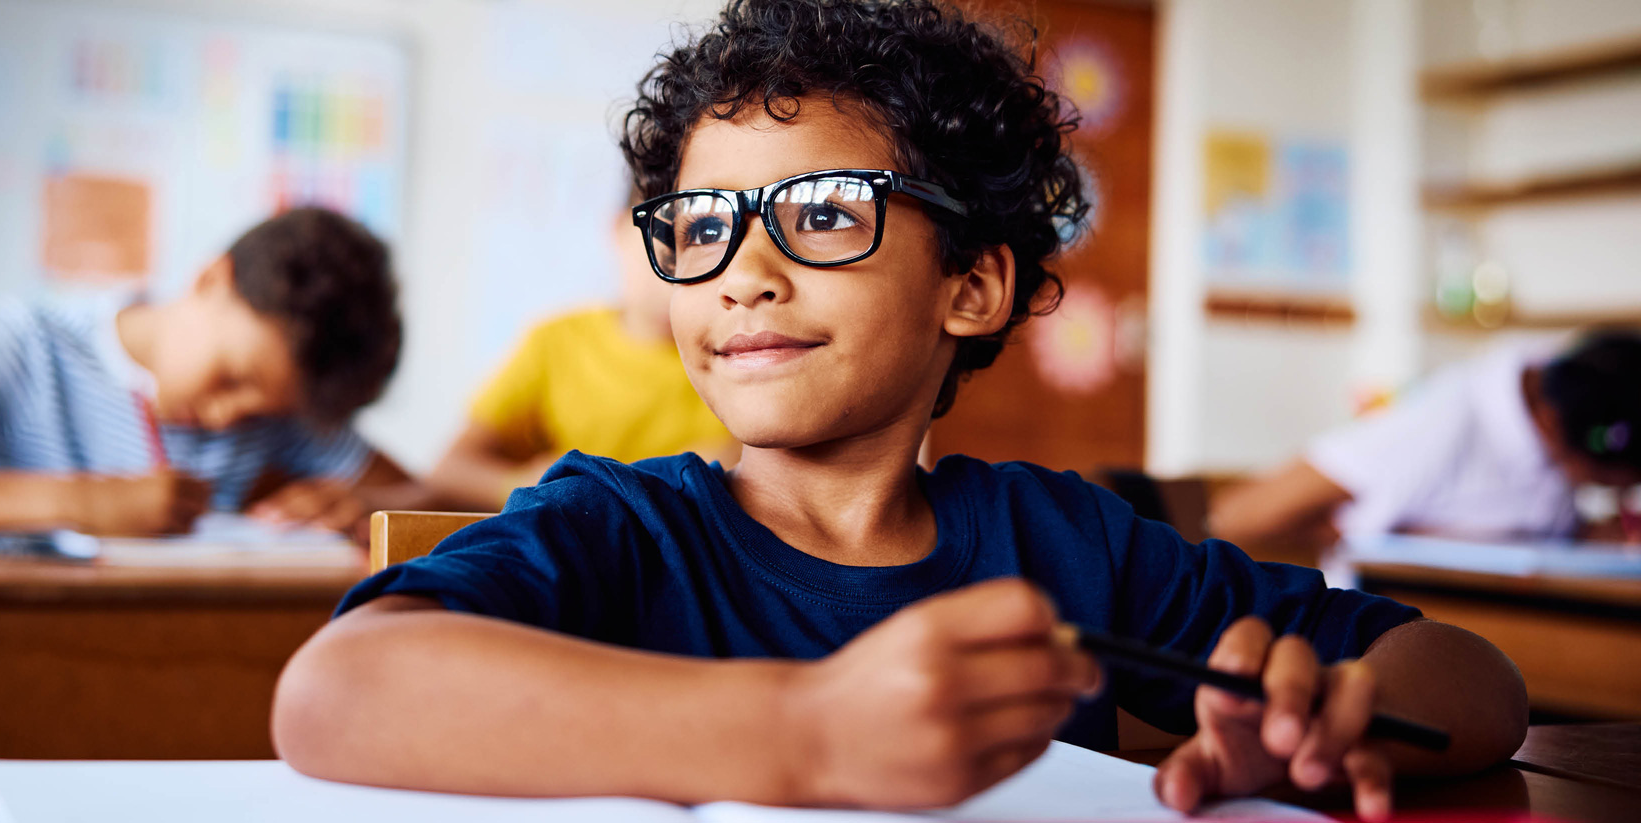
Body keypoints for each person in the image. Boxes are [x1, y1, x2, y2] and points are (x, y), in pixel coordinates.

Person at [271, 2, 1527, 818]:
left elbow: (1476, 685)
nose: (742, 270)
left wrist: (1320, 724)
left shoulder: (1066, 543)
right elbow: (335, 696)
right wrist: (803, 734)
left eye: (821, 214)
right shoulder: (619, 521)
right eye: (699, 228)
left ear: (973, 287)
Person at [0, 207, 432, 539]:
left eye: (259, 412)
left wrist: (363, 504)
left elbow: (426, 502)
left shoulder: (277, 405)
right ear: (211, 281)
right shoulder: (24, 345)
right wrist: (78, 502)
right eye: (230, 378)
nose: (225, 418)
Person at [428, 189, 737, 512]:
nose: (680, 266)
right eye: (670, 236)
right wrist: (531, 485)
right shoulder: (555, 343)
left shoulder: (739, 357)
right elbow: (449, 471)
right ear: (619, 228)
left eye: (708, 238)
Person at [1210, 331, 1641, 548]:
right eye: (1615, 481)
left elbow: (1556, 524)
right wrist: (1382, 536)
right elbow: (1238, 516)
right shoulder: (1439, 426)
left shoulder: (1566, 391)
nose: (1618, 491)